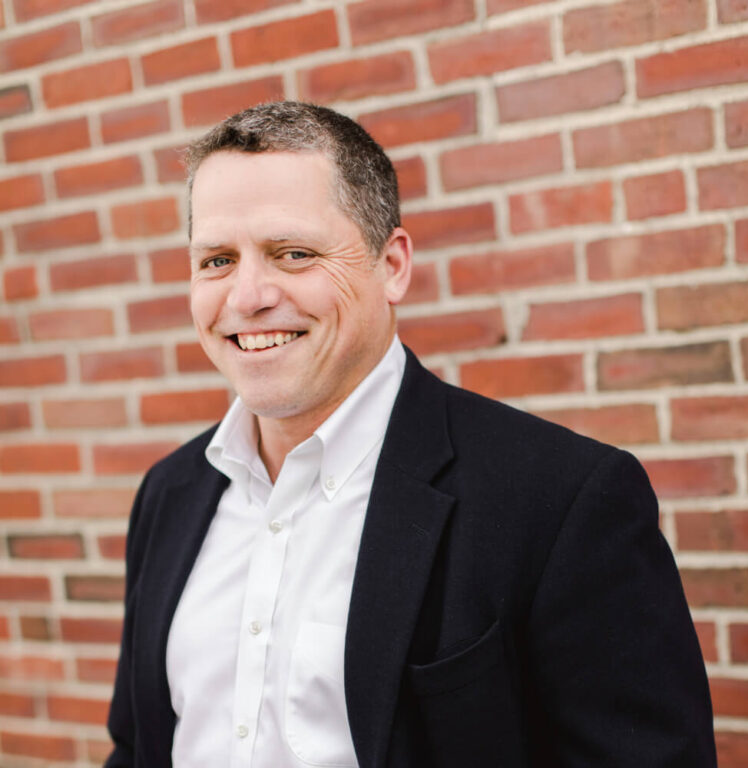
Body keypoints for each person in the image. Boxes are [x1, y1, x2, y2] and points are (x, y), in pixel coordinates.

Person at [105, 102, 716, 768]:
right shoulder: (168, 494)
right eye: (217, 260)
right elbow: (138, 749)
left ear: (393, 265)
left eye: (295, 253)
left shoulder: (561, 501)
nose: (248, 295)